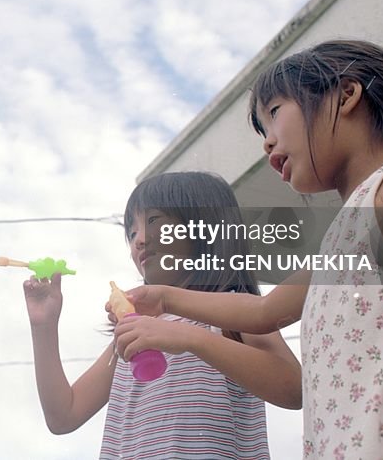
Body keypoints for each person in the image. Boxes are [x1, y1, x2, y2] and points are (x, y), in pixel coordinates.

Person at [113, 40, 383, 458]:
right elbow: (264, 312)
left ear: (347, 95)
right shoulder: (341, 241)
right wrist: (164, 297)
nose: (267, 142)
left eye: (274, 114)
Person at [23, 171, 301, 459]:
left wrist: (191, 337)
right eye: (131, 232)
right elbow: (63, 415)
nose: (139, 240)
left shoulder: (236, 311)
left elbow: (293, 389)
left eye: (154, 222)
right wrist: (43, 325)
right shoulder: (135, 331)